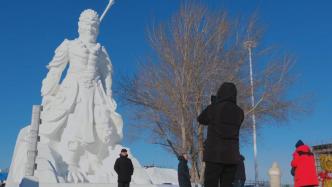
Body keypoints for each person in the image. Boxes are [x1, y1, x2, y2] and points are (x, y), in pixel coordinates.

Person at [197, 82, 244, 187]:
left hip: (214, 156)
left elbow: (201, 119)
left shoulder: (214, 108)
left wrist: (214, 103)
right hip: (232, 157)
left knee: (210, 184)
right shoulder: (240, 112)